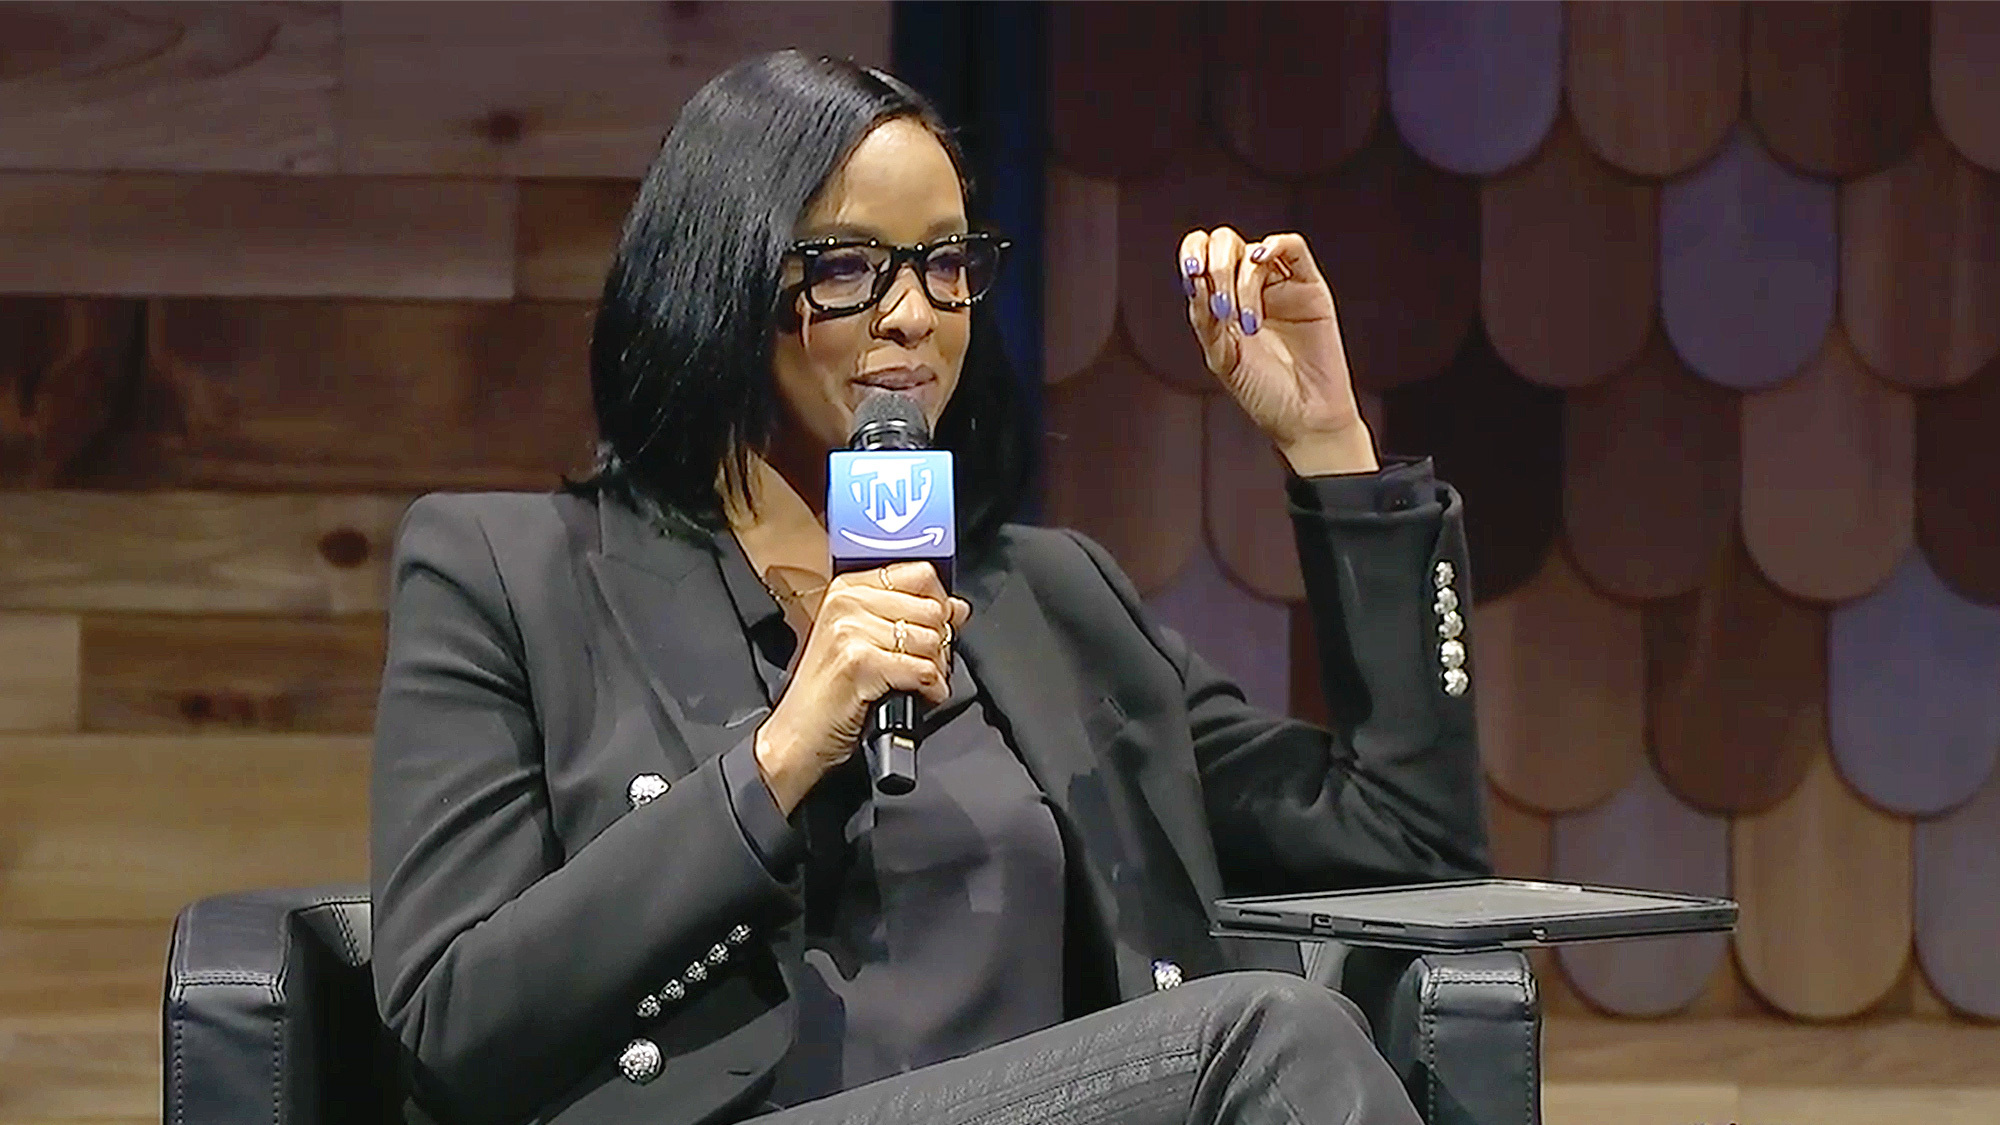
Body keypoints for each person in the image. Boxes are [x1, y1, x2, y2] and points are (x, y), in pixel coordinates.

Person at [370, 50, 1487, 1125]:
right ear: (719, 287)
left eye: (945, 263)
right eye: (849, 267)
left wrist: (1330, 444)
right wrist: (776, 762)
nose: (913, 313)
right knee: (1268, 1040)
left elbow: (1404, 848)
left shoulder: (1049, 598)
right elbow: (450, 1024)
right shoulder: (512, 576)